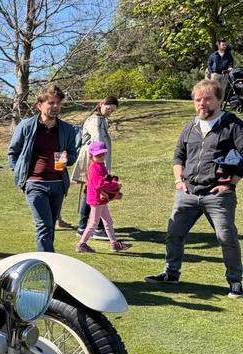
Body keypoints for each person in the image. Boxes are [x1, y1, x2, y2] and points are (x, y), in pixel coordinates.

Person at [145, 79, 243, 298]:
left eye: (207, 99)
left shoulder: (232, 125)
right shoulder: (190, 127)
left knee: (226, 237)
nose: (202, 103)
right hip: (187, 193)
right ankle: (171, 274)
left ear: (218, 100)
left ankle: (235, 282)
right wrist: (179, 180)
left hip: (217, 196)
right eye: (198, 100)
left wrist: (231, 183)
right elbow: (178, 155)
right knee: (174, 234)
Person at [8, 83, 79, 252]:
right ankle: (47, 265)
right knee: (44, 227)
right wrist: (21, 178)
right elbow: (13, 153)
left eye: (58, 103)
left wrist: (66, 158)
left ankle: (46, 263)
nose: (55, 107)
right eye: (51, 103)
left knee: (50, 227)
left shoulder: (67, 129)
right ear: (39, 105)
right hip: (35, 184)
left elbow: (73, 155)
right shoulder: (26, 126)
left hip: (58, 184)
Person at [69, 96, 119, 237]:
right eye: (108, 108)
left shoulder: (102, 119)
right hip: (93, 159)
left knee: (91, 191)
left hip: (97, 158)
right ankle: (88, 226)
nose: (110, 111)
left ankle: (88, 225)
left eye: (112, 110)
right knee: (93, 191)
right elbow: (97, 141)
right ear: (102, 104)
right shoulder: (95, 120)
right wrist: (99, 162)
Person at [76, 141, 131, 253]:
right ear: (92, 155)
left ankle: (114, 244)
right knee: (93, 223)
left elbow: (105, 181)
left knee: (108, 221)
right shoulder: (95, 167)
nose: (101, 156)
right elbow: (99, 184)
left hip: (100, 199)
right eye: (98, 155)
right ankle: (81, 244)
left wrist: (114, 192)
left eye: (103, 154)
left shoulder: (100, 166)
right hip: (96, 199)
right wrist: (115, 186)